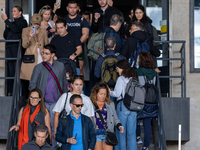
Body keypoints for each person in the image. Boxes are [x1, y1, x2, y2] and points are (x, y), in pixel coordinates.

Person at [29, 44, 67, 149]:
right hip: (43, 102)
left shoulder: (60, 66)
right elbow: (32, 85)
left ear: (53, 55)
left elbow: (64, 84)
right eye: (43, 53)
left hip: (57, 102)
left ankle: (53, 148)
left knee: (55, 127)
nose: (44, 55)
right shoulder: (38, 67)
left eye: (46, 53)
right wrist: (36, 98)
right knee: (42, 127)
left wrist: (65, 101)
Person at [53, 75, 94, 140]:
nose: (78, 87)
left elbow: (89, 118)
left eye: (81, 84)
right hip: (66, 130)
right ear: (72, 85)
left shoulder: (87, 99)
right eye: (76, 84)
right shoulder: (65, 96)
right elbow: (56, 114)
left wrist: (89, 133)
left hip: (82, 130)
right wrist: (55, 131)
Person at [109, 59, 138, 150]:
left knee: (120, 132)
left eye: (117, 68)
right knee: (132, 134)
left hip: (123, 106)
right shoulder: (134, 78)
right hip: (133, 107)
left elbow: (117, 94)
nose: (117, 70)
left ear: (122, 68)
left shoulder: (121, 79)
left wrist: (109, 91)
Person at [20, 13, 48, 99]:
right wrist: (29, 37)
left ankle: (40, 98)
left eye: (38, 23)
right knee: (29, 79)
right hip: (30, 58)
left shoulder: (43, 31)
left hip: (41, 56)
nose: (36, 25)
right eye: (34, 23)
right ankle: (30, 98)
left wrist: (45, 50)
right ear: (31, 22)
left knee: (41, 78)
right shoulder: (25, 30)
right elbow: (24, 45)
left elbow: (47, 44)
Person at [1, 6, 27, 96]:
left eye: (15, 11)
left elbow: (16, 30)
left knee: (17, 69)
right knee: (10, 69)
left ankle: (21, 92)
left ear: (20, 12)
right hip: (9, 47)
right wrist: (8, 26)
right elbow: (5, 35)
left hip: (17, 47)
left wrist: (6, 21)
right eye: (12, 11)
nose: (13, 13)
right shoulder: (11, 23)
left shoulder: (23, 22)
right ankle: (11, 91)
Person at [90, 82, 124, 150]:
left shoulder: (110, 104)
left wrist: (120, 126)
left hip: (108, 133)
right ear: (95, 93)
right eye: (101, 94)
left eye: (105, 94)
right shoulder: (90, 104)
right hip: (96, 133)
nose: (103, 96)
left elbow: (115, 118)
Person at [136, 51, 158, 150]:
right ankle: (146, 146)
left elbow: (137, 86)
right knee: (147, 123)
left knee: (135, 118)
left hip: (141, 99)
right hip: (151, 100)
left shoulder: (138, 71)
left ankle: (138, 137)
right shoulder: (154, 71)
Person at [65, 0, 90, 76]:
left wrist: (76, 45)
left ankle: (81, 87)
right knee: (66, 69)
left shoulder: (82, 20)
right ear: (67, 8)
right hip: (66, 48)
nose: (72, 10)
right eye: (70, 8)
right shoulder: (64, 19)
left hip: (79, 48)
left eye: (74, 8)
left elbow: (85, 35)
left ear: (78, 8)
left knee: (80, 69)